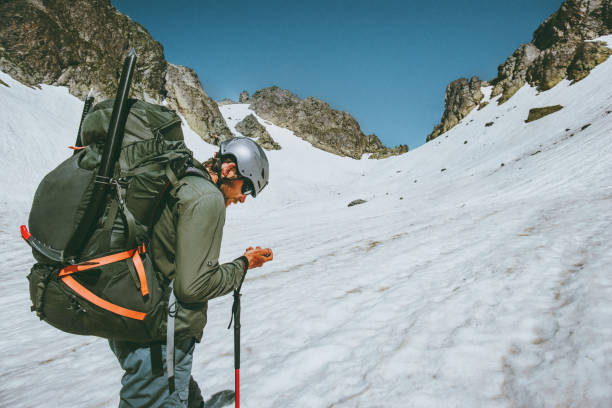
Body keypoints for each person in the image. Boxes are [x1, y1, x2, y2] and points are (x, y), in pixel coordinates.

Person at [108, 137, 274, 407]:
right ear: (230, 169)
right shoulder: (207, 198)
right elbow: (193, 286)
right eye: (246, 187)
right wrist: (244, 265)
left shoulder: (180, 180)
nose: (243, 198)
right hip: (160, 333)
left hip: (134, 317)